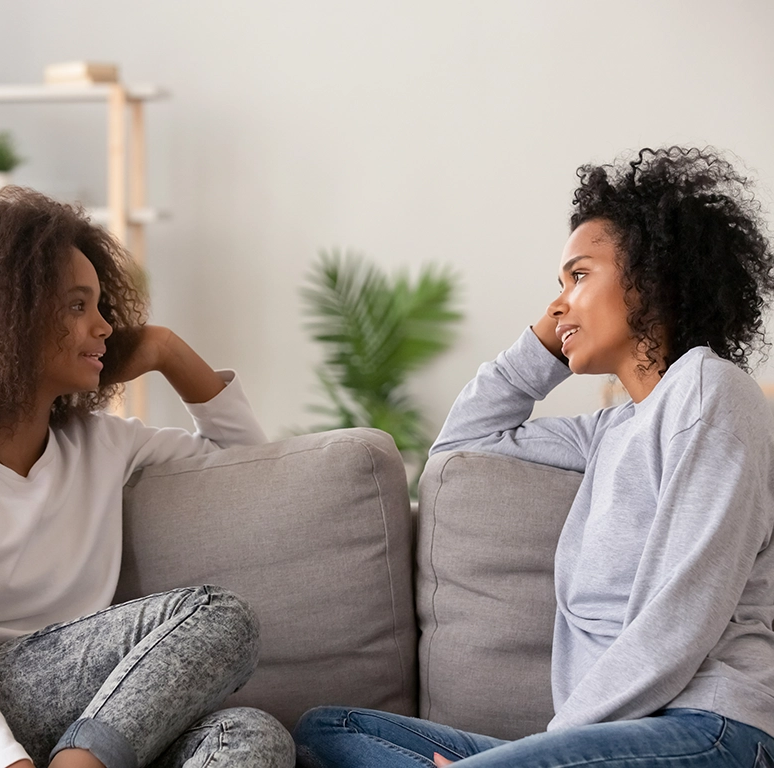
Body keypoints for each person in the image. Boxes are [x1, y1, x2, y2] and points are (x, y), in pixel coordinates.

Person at [293, 147, 774, 768]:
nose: (560, 304)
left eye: (579, 276)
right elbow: (460, 449)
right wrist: (544, 344)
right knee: (327, 732)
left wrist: (550, 748)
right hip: (596, 741)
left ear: (652, 279)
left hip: (711, 729)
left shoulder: (711, 391)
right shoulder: (608, 431)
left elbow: (681, 616)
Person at [0, 187, 294, 768]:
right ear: (3, 320)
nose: (105, 327)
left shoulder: (104, 442)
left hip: (53, 718)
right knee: (219, 616)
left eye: (102, 306)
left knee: (249, 736)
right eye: (77, 306)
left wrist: (166, 351)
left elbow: (252, 468)